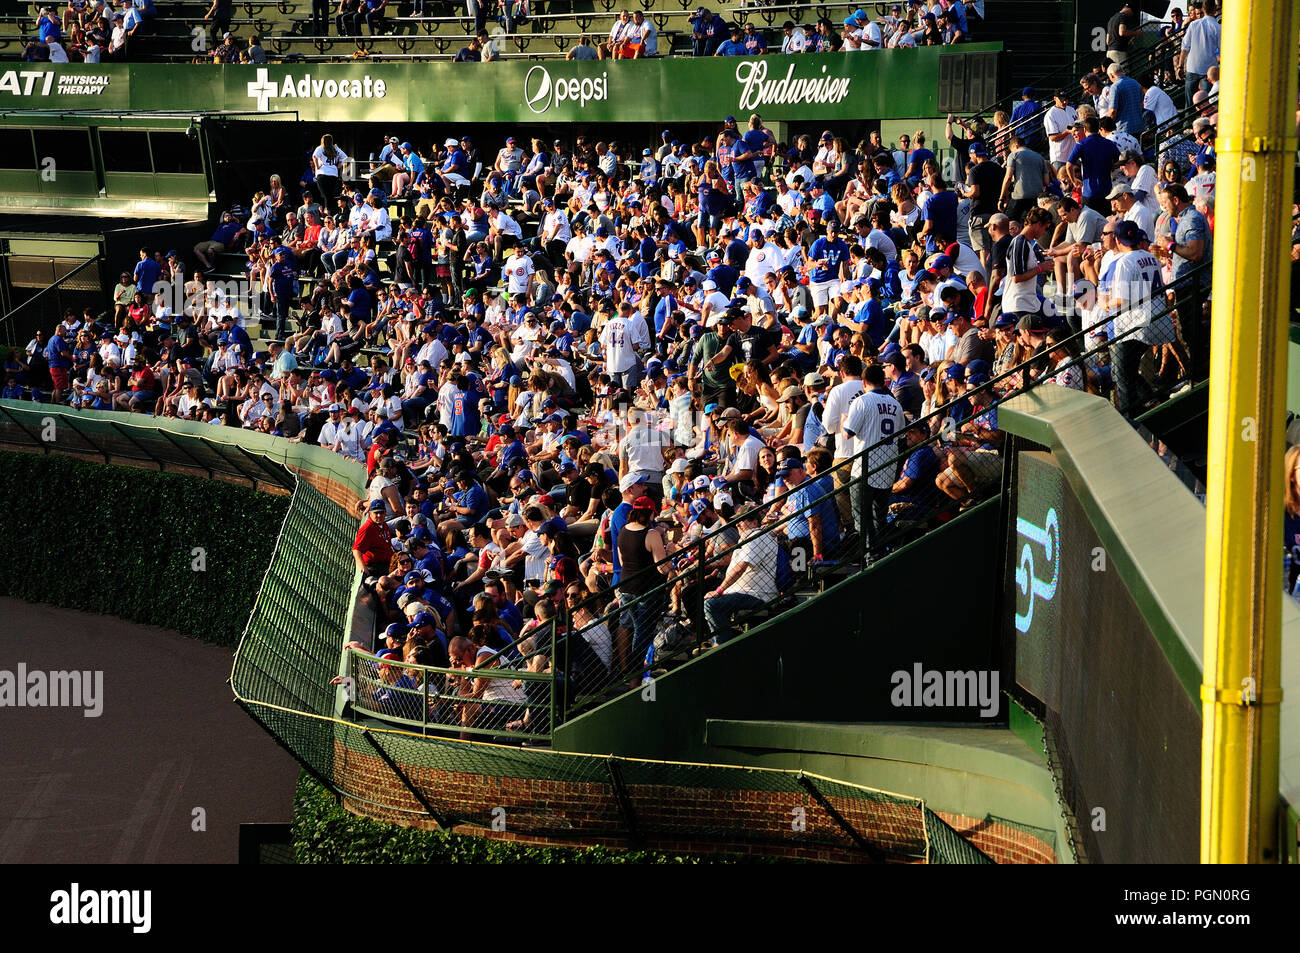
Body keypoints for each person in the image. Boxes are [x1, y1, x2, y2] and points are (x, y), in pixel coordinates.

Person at [703, 507, 779, 646]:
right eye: (737, 521)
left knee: (711, 604)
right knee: (704, 597)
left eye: (742, 520)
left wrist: (719, 590)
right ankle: (724, 639)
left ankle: (723, 645)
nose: (737, 524)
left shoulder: (756, 536)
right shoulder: (748, 538)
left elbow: (741, 567)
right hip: (744, 592)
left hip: (757, 595)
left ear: (755, 522)